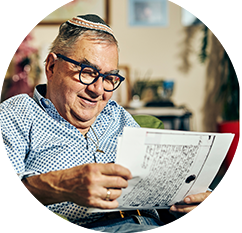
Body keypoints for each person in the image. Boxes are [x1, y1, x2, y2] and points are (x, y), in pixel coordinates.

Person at [0, 14, 235, 233]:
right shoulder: (18, 113)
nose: (98, 90)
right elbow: (2, 186)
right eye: (87, 72)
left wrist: (197, 203)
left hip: (154, 225)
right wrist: (63, 184)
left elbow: (158, 182)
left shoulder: (119, 116)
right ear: (51, 67)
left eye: (109, 78)